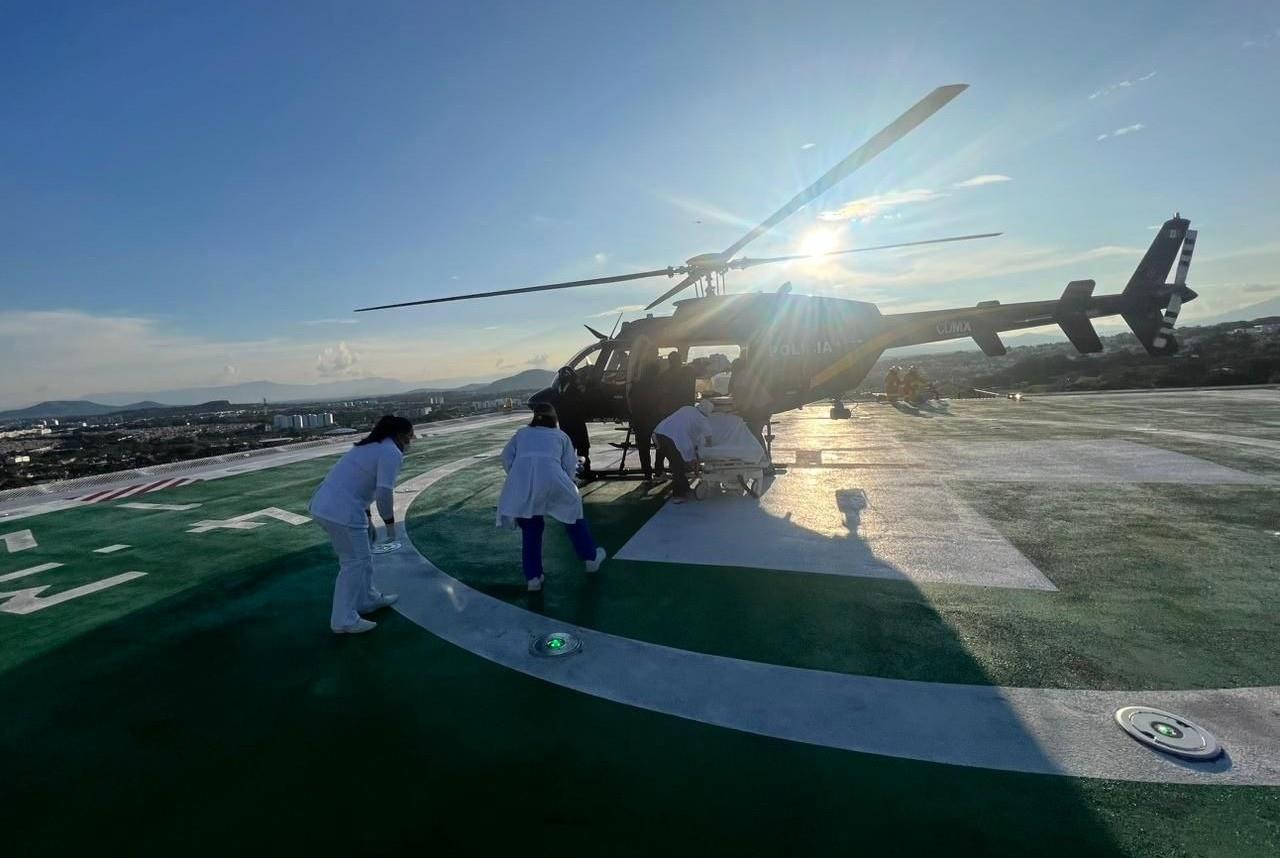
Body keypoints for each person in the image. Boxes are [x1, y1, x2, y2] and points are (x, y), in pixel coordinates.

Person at [309, 415, 415, 634]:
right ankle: (343, 619)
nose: (411, 439)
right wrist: (389, 523)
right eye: (409, 434)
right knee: (354, 562)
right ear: (399, 434)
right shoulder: (390, 452)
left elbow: (361, 484)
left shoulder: (370, 446)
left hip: (331, 505)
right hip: (341, 511)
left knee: (362, 556)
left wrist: (367, 517)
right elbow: (384, 491)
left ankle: (367, 599)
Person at [496, 403, 607, 591]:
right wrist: (568, 480)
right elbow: (570, 466)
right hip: (553, 479)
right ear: (554, 418)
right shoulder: (560, 436)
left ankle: (533, 578)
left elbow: (506, 457)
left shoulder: (522, 433)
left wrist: (519, 476)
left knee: (530, 528)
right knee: (573, 512)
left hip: (523, 482)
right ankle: (590, 557)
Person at [654, 399, 715, 502]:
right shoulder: (701, 419)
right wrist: (707, 448)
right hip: (672, 439)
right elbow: (707, 435)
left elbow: (689, 432)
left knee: (671, 459)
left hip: (659, 433)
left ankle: (662, 475)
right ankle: (678, 495)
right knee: (678, 465)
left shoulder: (687, 408)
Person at [627, 361, 665, 481]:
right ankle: (659, 470)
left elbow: (631, 401)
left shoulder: (636, 385)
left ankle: (647, 474)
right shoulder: (658, 385)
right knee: (660, 447)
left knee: (643, 449)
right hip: (655, 421)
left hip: (640, 421)